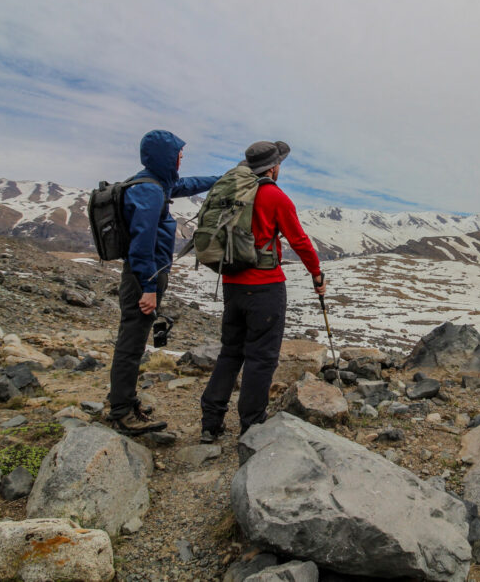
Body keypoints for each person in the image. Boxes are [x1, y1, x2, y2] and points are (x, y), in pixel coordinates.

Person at [199, 140, 325, 442]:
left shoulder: (233, 191)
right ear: (273, 167)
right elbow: (299, 241)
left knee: (231, 352)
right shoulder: (273, 196)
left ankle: (210, 421)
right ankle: (252, 425)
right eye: (279, 162)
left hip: (232, 284)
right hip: (265, 287)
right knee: (261, 357)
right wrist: (317, 273)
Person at [107, 129, 219, 435]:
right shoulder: (149, 191)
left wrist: (221, 178)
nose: (182, 158)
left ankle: (125, 401)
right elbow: (142, 244)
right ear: (165, 156)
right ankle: (120, 413)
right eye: (178, 154)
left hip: (146, 275)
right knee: (131, 344)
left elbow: (188, 184)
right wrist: (149, 288)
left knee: (133, 339)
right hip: (143, 277)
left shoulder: (156, 183)